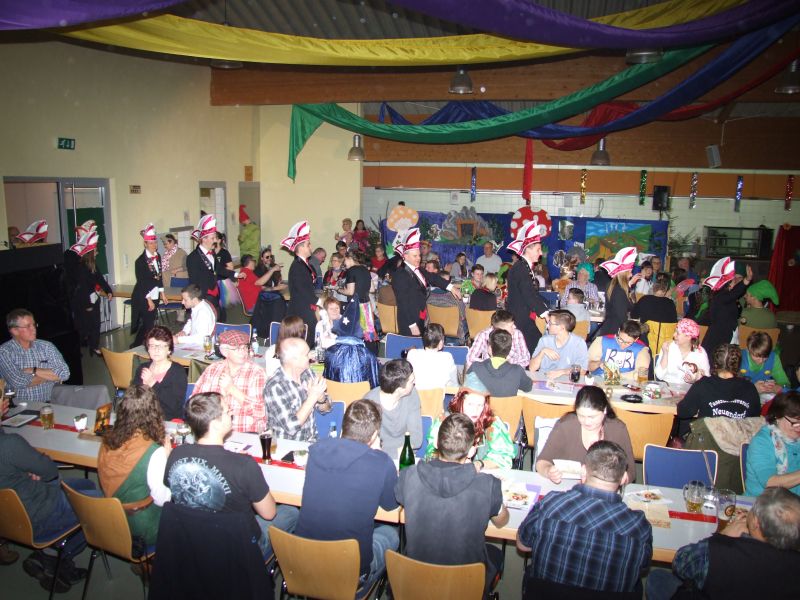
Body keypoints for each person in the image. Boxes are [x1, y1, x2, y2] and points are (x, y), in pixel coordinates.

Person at [164, 392, 298, 562]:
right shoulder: (244, 465)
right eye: (227, 412)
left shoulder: (176, 455)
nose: (232, 413)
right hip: (241, 549)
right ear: (215, 424)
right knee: (291, 512)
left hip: (193, 540)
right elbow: (269, 513)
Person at [519, 441, 651, 598]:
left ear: (583, 471)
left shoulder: (551, 504)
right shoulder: (639, 526)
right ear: (623, 479)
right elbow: (643, 565)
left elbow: (523, 545)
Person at [396, 413, 509, 597]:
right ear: (472, 451)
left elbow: (400, 499)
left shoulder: (409, 475)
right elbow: (501, 522)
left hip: (415, 578)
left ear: (436, 443)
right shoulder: (487, 484)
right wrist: (501, 500)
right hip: (466, 586)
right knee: (495, 553)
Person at [294, 400, 399, 592]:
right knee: (391, 534)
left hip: (303, 562)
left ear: (344, 427)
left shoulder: (317, 449)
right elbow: (391, 505)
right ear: (374, 435)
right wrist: (378, 453)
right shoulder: (382, 462)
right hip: (350, 573)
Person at [0, 396, 99, 592]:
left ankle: (48, 553)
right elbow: (50, 471)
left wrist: (24, 469)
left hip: (9, 516)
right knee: (99, 506)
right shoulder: (9, 445)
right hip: (39, 513)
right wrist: (31, 465)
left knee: (85, 484)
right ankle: (54, 557)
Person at [646, 487, 800, 600]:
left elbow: (681, 564)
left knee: (657, 578)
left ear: (756, 524)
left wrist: (722, 536)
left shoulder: (719, 552)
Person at [97, 385, 172, 548]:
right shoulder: (155, 452)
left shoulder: (107, 440)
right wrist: (166, 459)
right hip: (141, 528)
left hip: (110, 518)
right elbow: (163, 500)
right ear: (155, 413)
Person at [535, 386, 636, 484]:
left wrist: (623, 478)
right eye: (581, 416)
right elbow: (542, 462)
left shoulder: (617, 429)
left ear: (605, 410)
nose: (586, 422)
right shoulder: (566, 426)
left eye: (592, 417)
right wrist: (548, 471)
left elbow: (631, 471)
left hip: (605, 488)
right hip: (568, 485)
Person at [425, 374, 515, 470]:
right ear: (460, 402)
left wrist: (478, 465)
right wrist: (456, 461)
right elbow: (431, 454)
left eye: (480, 405)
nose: (475, 410)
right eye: (470, 404)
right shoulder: (446, 422)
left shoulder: (492, 425)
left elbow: (504, 457)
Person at [676, 343, 760, 438]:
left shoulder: (704, 385)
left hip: (709, 443)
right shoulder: (750, 387)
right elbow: (755, 419)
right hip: (739, 444)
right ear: (738, 365)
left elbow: (683, 412)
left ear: (715, 364)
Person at [193, 329, 267, 433]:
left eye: (245, 347)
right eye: (237, 348)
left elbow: (260, 412)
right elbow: (195, 404)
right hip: (213, 432)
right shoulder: (212, 370)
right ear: (224, 352)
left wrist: (232, 389)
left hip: (246, 433)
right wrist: (220, 398)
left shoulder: (257, 373)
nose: (243, 352)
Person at [390, 228, 458, 337]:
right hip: (409, 321)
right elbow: (402, 302)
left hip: (420, 316)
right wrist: (412, 325)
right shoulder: (400, 275)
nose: (419, 258)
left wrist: (451, 287)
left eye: (419, 255)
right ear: (405, 256)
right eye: (415, 256)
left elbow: (433, 278)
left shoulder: (418, 269)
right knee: (411, 346)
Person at [264, 337, 331, 441]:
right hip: (287, 446)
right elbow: (291, 427)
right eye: (306, 354)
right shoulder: (275, 386)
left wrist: (321, 399)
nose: (311, 356)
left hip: (312, 441)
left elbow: (326, 409)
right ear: (294, 359)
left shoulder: (308, 374)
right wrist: (312, 398)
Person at [0, 308, 70, 402]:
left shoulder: (46, 346)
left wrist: (33, 370)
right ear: (15, 330)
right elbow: (18, 382)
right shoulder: (4, 351)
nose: (33, 329)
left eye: (34, 324)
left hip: (50, 403)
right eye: (28, 326)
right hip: (19, 405)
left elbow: (65, 373)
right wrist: (50, 376)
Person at [364, 359, 423, 458]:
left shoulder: (412, 394)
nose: (414, 383)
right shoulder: (369, 402)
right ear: (400, 389)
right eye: (412, 381)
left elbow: (416, 439)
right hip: (378, 457)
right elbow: (366, 442)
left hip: (403, 456)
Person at [505, 220, 549, 353]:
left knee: (537, 347)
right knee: (537, 348)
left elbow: (532, 293)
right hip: (520, 319)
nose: (540, 253)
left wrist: (546, 306)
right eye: (538, 250)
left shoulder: (524, 267)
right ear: (528, 249)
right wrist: (545, 312)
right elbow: (528, 294)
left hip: (523, 317)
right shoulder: (521, 268)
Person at [746, 391, 800, 497]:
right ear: (778, 417)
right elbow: (770, 483)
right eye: (795, 423)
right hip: (765, 503)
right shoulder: (762, 442)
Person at [70, 230, 112, 356]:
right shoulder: (82, 267)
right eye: (96, 250)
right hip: (84, 301)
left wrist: (108, 291)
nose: (97, 252)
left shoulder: (93, 265)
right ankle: (79, 347)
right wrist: (87, 305)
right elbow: (82, 288)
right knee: (85, 326)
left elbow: (100, 279)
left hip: (93, 298)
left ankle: (94, 346)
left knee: (95, 324)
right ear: (90, 253)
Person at [134, 325, 188, 420]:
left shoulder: (178, 371)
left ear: (169, 350)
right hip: (143, 419)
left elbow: (174, 406)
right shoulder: (142, 369)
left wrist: (153, 384)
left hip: (168, 421)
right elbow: (133, 399)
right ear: (148, 349)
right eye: (152, 346)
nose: (156, 350)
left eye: (161, 346)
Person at [700, 257, 752, 355]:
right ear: (728, 284)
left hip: (722, 336)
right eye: (733, 280)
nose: (735, 281)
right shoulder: (721, 297)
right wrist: (746, 281)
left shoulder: (723, 296)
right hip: (718, 339)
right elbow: (735, 293)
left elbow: (734, 294)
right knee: (716, 360)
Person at [323, 299, 379, 388]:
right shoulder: (369, 355)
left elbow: (326, 378)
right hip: (361, 395)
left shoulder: (330, 353)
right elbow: (375, 382)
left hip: (336, 394)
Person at [130, 224, 168, 348]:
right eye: (151, 243)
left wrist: (162, 294)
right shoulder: (140, 261)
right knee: (150, 325)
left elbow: (159, 276)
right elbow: (142, 282)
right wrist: (149, 300)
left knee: (148, 323)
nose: (154, 245)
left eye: (155, 242)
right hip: (144, 296)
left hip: (155, 294)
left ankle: (135, 345)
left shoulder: (157, 257)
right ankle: (151, 347)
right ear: (145, 244)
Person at [283, 221, 319, 347]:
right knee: (303, 343)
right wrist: (319, 303)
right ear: (301, 247)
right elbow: (303, 292)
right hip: (301, 310)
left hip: (305, 307)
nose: (310, 246)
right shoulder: (298, 267)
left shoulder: (304, 264)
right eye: (308, 244)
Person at [469, 329, 533, 397]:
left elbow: (466, 388)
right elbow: (528, 387)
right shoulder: (517, 371)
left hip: (484, 403)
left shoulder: (475, 368)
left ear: (489, 349)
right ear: (509, 350)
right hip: (508, 404)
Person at [595, 247, 641, 339]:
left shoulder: (614, 285)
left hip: (611, 329)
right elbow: (622, 317)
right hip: (615, 332)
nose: (631, 274)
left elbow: (628, 306)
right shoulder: (619, 290)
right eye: (630, 272)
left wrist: (629, 285)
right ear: (624, 273)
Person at [529, 309, 589, 380]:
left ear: (562, 327)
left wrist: (562, 372)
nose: (547, 325)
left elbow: (582, 371)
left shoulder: (578, 343)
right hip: (544, 380)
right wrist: (542, 351)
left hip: (567, 381)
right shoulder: (544, 340)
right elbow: (532, 368)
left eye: (550, 323)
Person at [466, 309, 531, 369]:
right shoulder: (484, 335)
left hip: (511, 370)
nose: (515, 327)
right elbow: (470, 358)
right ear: (500, 330)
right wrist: (489, 364)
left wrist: (506, 364)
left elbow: (526, 359)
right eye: (511, 326)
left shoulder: (517, 334)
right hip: (490, 371)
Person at [654, 318, 710, 386]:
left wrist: (695, 379)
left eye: (677, 333)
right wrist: (665, 353)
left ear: (688, 337)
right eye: (675, 332)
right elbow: (659, 375)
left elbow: (706, 379)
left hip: (689, 389)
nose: (674, 335)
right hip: (667, 386)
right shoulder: (669, 347)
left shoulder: (700, 353)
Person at [342, 251, 378, 351]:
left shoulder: (351, 271)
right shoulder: (365, 269)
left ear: (349, 258)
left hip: (355, 306)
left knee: (355, 333)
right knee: (368, 333)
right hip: (366, 305)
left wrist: (338, 289)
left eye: (345, 260)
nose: (344, 263)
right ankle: (371, 354)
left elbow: (350, 292)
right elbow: (372, 289)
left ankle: (357, 354)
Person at [406, 323, 459, 390]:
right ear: (440, 343)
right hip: (438, 396)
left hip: (417, 395)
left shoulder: (412, 353)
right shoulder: (447, 357)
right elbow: (454, 384)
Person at [186, 214, 222, 313]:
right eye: (213, 238)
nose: (215, 241)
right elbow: (193, 281)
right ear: (204, 239)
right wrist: (197, 300)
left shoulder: (212, 253)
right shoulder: (192, 257)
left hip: (215, 294)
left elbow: (218, 270)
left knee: (219, 316)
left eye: (215, 238)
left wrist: (235, 274)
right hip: (203, 297)